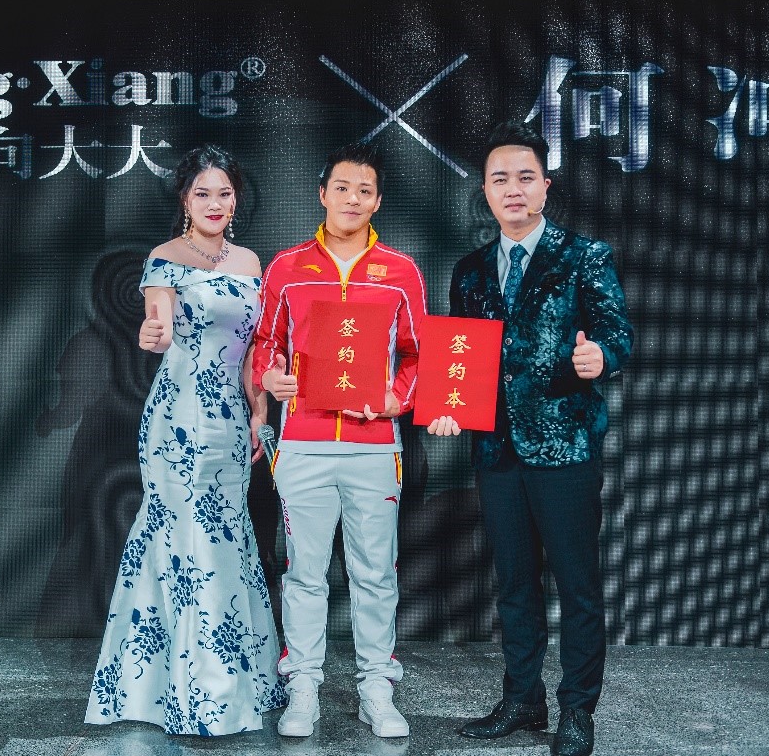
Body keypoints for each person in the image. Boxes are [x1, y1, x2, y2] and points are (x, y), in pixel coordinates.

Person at [427, 120, 633, 756]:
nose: (512, 189)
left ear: (545, 185)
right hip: (496, 450)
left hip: (564, 445)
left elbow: (618, 336)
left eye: (524, 177)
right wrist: (448, 408)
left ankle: (577, 711)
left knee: (576, 586)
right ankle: (522, 699)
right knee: (514, 583)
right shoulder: (469, 271)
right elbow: (460, 361)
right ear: (485, 192)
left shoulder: (583, 256)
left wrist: (601, 357)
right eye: (500, 179)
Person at [84, 143, 287, 736]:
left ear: (236, 199)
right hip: (178, 420)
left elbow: (251, 352)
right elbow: (160, 326)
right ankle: (193, 693)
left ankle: (232, 680)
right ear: (184, 199)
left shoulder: (250, 262)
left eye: (225, 193)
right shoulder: (164, 259)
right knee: (184, 540)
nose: (215, 203)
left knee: (227, 536)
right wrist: (153, 334)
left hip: (232, 421)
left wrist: (259, 413)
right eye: (203, 193)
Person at [253, 141, 428, 739]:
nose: (352, 199)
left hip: (374, 444)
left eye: (365, 191)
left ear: (378, 202)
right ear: (322, 194)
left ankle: (376, 686)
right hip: (302, 441)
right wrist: (269, 376)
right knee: (304, 572)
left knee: (375, 572)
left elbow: (418, 355)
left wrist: (396, 399)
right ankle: (302, 685)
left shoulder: (401, 272)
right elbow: (265, 343)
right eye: (342, 188)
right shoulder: (287, 267)